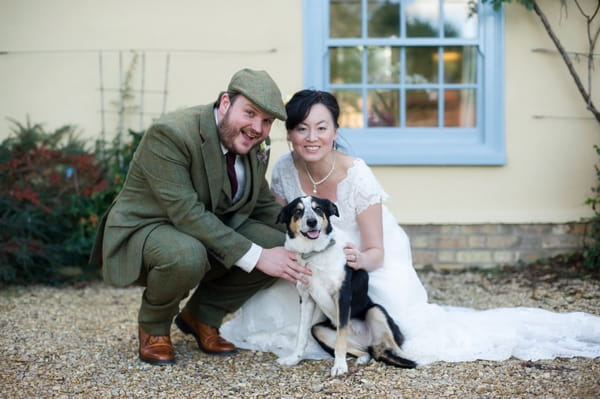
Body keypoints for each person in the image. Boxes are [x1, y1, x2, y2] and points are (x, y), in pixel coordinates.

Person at [220, 89, 600, 365]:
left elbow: (376, 252)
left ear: (335, 130)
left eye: (321, 128)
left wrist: (356, 259)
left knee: (410, 326)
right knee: (276, 311)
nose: (312, 138)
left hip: (363, 261)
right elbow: (287, 219)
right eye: (302, 129)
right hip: (314, 261)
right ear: (291, 134)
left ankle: (370, 339)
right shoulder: (286, 168)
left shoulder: (358, 175)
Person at [89, 69, 311, 366]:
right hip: (150, 226)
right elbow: (186, 212)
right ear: (224, 104)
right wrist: (256, 256)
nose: (257, 128)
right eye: (249, 113)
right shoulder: (171, 134)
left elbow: (260, 204)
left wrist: (309, 240)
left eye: (267, 121)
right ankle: (154, 328)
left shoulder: (256, 143)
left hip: (205, 226)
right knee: (189, 254)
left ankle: (201, 316)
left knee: (276, 243)